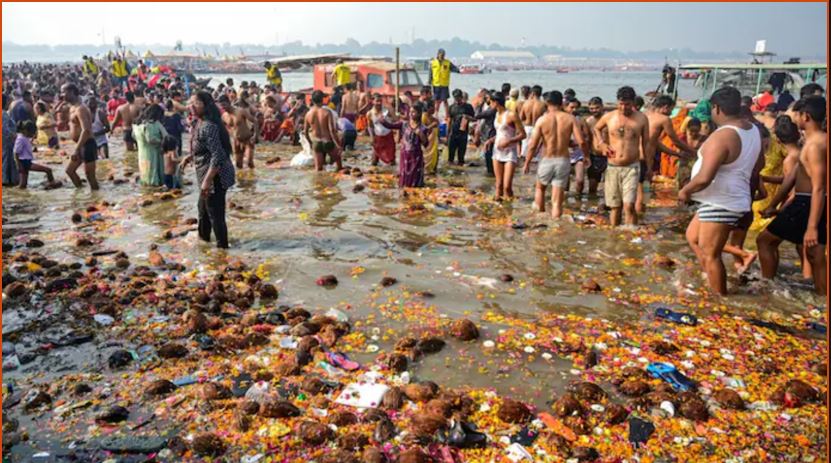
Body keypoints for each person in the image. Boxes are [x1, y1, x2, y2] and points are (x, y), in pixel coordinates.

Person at [678, 87, 764, 295]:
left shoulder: (723, 136)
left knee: (711, 253)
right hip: (727, 197)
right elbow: (759, 163)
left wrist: (685, 191)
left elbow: (705, 178)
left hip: (722, 201)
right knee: (693, 237)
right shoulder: (752, 129)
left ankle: (720, 299)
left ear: (716, 108)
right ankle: (711, 277)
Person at [758, 96, 827, 295]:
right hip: (810, 201)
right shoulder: (815, 140)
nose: (793, 117)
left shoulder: (814, 145)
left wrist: (812, 227)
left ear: (805, 116)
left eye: (795, 114)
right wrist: (774, 204)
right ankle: (822, 298)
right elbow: (793, 176)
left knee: (765, 240)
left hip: (808, 201)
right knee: (815, 253)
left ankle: (768, 286)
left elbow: (819, 186)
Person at [179, 91, 236, 249]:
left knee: (215, 215)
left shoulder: (209, 126)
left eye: (195, 103)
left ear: (206, 105)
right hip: (207, 175)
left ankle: (222, 250)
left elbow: (218, 155)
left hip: (215, 177)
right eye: (190, 103)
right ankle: (203, 244)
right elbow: (203, 147)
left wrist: (207, 182)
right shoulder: (200, 122)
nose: (191, 106)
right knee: (203, 211)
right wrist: (189, 157)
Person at [524, 91, 588, 218]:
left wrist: (527, 162)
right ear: (561, 103)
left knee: (540, 189)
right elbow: (581, 141)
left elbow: (533, 145)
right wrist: (586, 156)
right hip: (563, 160)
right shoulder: (571, 119)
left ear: (547, 103)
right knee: (557, 202)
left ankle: (540, 218)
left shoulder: (542, 120)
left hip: (547, 159)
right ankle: (556, 226)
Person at [593, 86, 649, 226]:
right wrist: (602, 144)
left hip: (632, 167)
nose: (624, 108)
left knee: (629, 206)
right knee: (615, 207)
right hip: (613, 167)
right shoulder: (609, 117)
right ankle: (615, 238)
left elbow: (646, 144)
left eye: (627, 104)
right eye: (621, 104)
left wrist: (648, 167)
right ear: (617, 102)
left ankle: (631, 237)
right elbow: (596, 128)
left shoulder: (641, 119)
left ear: (633, 103)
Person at [644, 95, 696, 211]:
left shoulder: (643, 115)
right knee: (644, 191)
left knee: (637, 190)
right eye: (671, 110)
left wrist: (676, 154)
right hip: (647, 161)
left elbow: (655, 143)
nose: (671, 113)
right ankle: (641, 216)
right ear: (665, 107)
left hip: (636, 158)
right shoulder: (663, 119)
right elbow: (675, 141)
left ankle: (637, 216)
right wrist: (693, 152)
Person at [487, 92, 525, 201]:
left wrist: (509, 141)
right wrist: (490, 140)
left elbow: (523, 135)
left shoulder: (511, 115)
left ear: (496, 102)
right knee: (498, 185)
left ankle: (511, 208)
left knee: (507, 187)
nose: (489, 105)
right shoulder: (496, 114)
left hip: (510, 152)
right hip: (497, 151)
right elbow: (500, 133)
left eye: (491, 102)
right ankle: (498, 212)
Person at [381, 103, 429, 188]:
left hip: (416, 156)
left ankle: (416, 192)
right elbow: (390, 126)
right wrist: (383, 121)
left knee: (415, 176)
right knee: (404, 175)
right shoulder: (404, 124)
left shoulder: (423, 128)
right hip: (405, 154)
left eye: (413, 112)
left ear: (419, 114)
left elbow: (426, 144)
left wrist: (421, 135)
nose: (411, 114)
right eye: (410, 112)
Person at [63, 83, 99, 190]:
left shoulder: (81, 109)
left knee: (90, 176)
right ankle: (81, 194)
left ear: (72, 92)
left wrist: (76, 149)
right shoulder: (72, 108)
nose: (62, 95)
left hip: (87, 145)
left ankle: (97, 199)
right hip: (80, 144)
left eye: (63, 92)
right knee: (70, 171)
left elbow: (86, 130)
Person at [304, 90, 342, 171]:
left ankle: (318, 183)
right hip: (327, 141)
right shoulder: (327, 112)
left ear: (312, 100)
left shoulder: (308, 114)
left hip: (316, 142)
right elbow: (332, 130)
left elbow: (306, 132)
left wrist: (310, 143)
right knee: (339, 164)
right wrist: (338, 145)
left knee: (318, 169)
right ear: (322, 99)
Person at [134, 104, 168, 187]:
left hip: (142, 152)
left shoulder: (137, 124)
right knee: (154, 171)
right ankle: (155, 186)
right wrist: (161, 142)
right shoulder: (153, 124)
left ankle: (146, 184)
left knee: (145, 170)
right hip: (154, 152)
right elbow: (164, 136)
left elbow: (133, 136)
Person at [14, 120, 55, 189]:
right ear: (25, 130)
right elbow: (15, 152)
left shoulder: (24, 137)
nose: (32, 134)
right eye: (31, 133)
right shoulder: (20, 139)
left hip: (25, 161)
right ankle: (52, 183)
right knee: (48, 170)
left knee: (23, 185)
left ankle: (16, 195)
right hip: (24, 162)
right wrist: (18, 164)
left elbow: (25, 147)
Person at [564, 98, 591, 196]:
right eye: (572, 107)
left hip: (579, 154)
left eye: (576, 107)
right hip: (565, 154)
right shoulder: (562, 119)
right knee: (564, 184)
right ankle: (565, 201)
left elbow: (587, 137)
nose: (574, 110)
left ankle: (577, 198)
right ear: (566, 107)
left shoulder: (581, 121)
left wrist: (579, 143)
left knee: (580, 181)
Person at [584, 97, 607, 196]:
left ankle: (607, 206)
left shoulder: (608, 120)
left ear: (602, 107)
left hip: (608, 155)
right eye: (592, 108)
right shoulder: (588, 121)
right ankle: (592, 205)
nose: (594, 110)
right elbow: (587, 139)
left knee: (609, 185)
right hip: (594, 155)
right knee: (592, 187)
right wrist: (586, 156)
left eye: (597, 108)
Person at [676, 118, 706, 190]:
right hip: (684, 168)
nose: (694, 133)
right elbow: (678, 152)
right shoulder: (682, 138)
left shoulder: (704, 139)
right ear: (687, 128)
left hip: (697, 168)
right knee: (683, 187)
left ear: (700, 129)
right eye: (691, 131)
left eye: (696, 131)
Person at [446, 89, 475, 166]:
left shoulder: (468, 107)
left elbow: (474, 119)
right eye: (455, 98)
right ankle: (451, 172)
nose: (457, 99)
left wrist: (468, 117)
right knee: (450, 157)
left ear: (462, 97)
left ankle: (461, 171)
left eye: (459, 97)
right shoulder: (451, 107)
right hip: (453, 133)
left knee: (461, 157)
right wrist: (447, 134)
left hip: (463, 134)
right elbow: (449, 120)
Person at [428, 49, 458, 118]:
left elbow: (454, 68)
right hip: (436, 84)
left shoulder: (447, 62)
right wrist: (429, 81)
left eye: (443, 54)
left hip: (444, 84)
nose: (442, 56)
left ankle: (447, 115)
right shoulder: (433, 63)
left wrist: (458, 70)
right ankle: (436, 114)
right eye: (441, 54)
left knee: (445, 100)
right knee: (436, 101)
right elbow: (430, 73)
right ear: (438, 54)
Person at [519, 85, 546, 161]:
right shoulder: (543, 105)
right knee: (536, 150)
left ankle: (525, 165)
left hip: (527, 128)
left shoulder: (526, 103)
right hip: (537, 128)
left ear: (532, 93)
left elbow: (521, 117)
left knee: (525, 149)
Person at [368, 94, 396, 166]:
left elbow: (396, 120)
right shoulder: (369, 113)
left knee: (391, 160)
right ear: (372, 101)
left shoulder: (387, 110)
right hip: (378, 137)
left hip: (388, 137)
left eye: (380, 101)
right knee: (374, 162)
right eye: (377, 101)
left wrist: (390, 117)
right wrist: (371, 137)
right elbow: (370, 126)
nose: (379, 103)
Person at [474, 90, 497, 177]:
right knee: (488, 155)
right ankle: (491, 173)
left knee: (489, 155)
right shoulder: (489, 108)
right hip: (487, 134)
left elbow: (477, 116)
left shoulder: (491, 110)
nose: (485, 99)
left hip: (491, 135)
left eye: (486, 98)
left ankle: (491, 173)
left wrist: (479, 104)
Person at [3, 93, 20, 186]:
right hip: (6, 141)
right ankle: (6, 180)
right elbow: (4, 129)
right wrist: (13, 135)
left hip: (5, 141)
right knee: (7, 159)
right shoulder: (4, 114)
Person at [422, 100, 439, 174]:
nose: (434, 109)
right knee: (427, 158)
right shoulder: (423, 117)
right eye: (433, 107)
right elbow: (422, 130)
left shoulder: (432, 117)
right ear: (428, 108)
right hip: (427, 144)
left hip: (434, 143)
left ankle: (433, 171)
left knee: (435, 157)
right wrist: (432, 125)